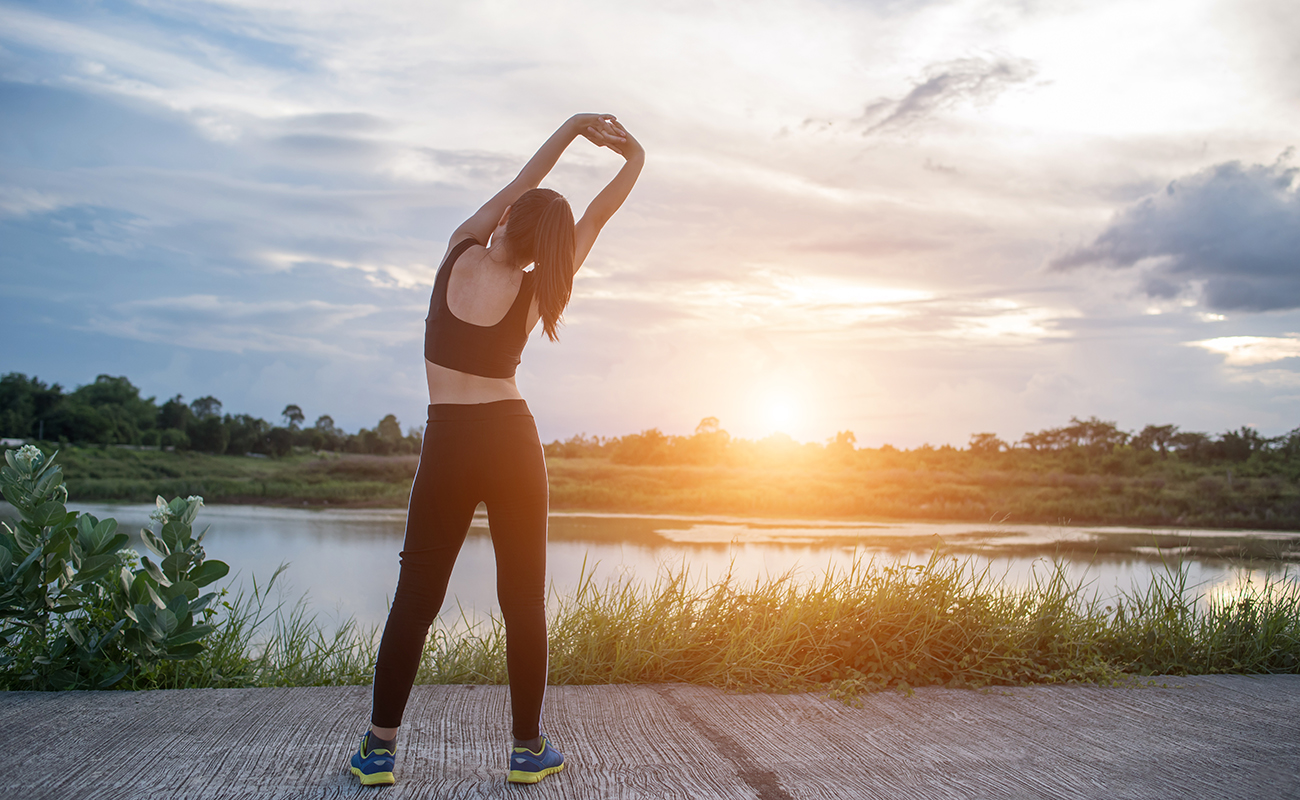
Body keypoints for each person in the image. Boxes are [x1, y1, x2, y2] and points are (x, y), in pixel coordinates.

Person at [347, 113, 644, 787]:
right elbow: (593, 219)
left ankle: (379, 750)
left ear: (508, 218)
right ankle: (526, 748)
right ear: (550, 251)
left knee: (415, 598)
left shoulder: (459, 249)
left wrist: (572, 130)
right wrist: (634, 162)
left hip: (449, 441)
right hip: (512, 439)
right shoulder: (542, 285)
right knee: (522, 599)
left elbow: (525, 180)